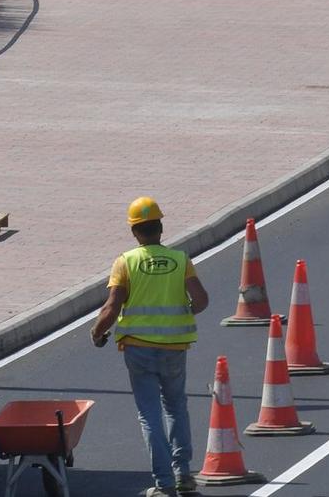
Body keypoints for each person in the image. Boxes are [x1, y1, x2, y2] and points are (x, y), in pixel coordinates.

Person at [92, 198, 209, 497]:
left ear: (134, 232)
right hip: (174, 348)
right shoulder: (181, 260)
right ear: (160, 227)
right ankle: (183, 474)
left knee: (149, 414)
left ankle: (164, 483)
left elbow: (111, 306)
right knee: (176, 407)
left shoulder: (126, 262)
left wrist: (97, 333)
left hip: (139, 350)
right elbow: (202, 300)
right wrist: (182, 312)